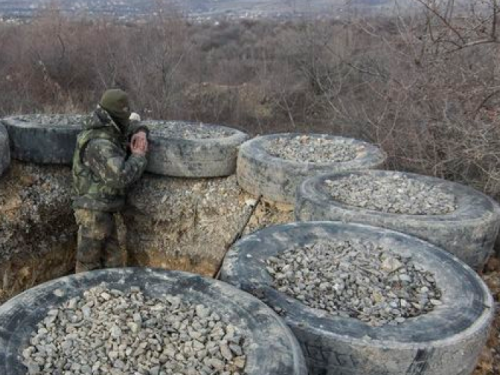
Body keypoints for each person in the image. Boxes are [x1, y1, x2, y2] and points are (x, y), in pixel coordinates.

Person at [71, 89, 149, 273]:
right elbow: (119, 177)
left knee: (113, 264)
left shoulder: (106, 124)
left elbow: (129, 124)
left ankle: (109, 299)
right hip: (93, 212)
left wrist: (141, 131)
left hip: (104, 209)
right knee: (88, 266)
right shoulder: (99, 144)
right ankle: (85, 299)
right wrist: (138, 156)